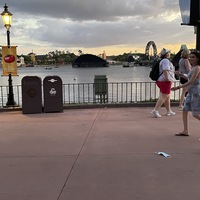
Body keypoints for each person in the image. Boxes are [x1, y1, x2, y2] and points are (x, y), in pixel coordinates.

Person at [171, 51, 200, 136]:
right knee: (185, 109)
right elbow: (189, 78)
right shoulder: (193, 67)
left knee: (195, 114)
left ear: (198, 58)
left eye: (193, 57)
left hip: (196, 92)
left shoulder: (197, 68)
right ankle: (185, 130)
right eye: (190, 57)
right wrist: (182, 75)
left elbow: (191, 81)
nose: (190, 59)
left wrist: (178, 87)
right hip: (190, 92)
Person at [151, 48, 176, 118]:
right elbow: (165, 70)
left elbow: (167, 70)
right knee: (164, 97)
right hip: (165, 81)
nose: (170, 54)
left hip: (161, 80)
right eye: (169, 53)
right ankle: (155, 110)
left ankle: (169, 111)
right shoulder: (166, 61)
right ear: (167, 54)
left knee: (166, 96)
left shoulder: (162, 60)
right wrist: (168, 79)